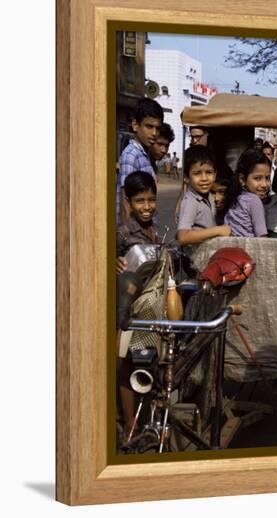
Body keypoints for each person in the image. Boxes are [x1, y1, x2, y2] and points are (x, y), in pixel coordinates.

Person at [115, 171, 159, 439]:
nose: (146, 207)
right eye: (140, 201)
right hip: (128, 312)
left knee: (149, 362)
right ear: (129, 202)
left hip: (151, 308)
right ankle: (129, 425)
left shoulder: (156, 231)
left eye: (151, 200)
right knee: (128, 365)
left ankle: (145, 419)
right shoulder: (121, 234)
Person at [116, 98, 163, 225]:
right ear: (135, 125)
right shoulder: (131, 155)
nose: (154, 133)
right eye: (149, 126)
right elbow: (125, 199)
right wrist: (130, 238)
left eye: (157, 128)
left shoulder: (144, 153)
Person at [176, 145, 231, 245]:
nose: (204, 178)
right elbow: (183, 237)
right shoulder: (191, 202)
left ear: (215, 175)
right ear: (187, 178)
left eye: (209, 172)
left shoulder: (209, 195)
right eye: (197, 173)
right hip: (196, 256)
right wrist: (218, 230)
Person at [224, 148, 271, 238]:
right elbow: (262, 238)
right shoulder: (254, 200)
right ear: (242, 179)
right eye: (257, 178)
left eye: (267, 178)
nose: (264, 184)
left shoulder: (236, 197)